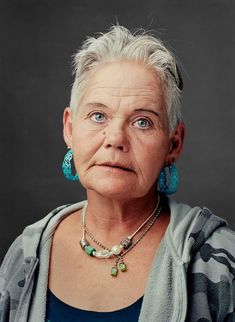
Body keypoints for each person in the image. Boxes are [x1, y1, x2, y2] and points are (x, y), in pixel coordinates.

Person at [0, 25, 234, 322]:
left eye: (142, 122)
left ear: (173, 144)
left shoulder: (221, 264)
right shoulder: (25, 255)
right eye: (98, 116)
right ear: (70, 130)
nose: (116, 139)